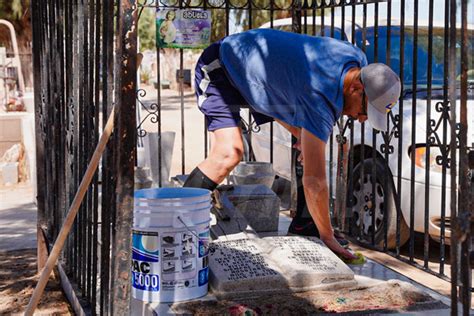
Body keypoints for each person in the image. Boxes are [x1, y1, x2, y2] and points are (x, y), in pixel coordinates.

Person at [183, 29, 401, 260]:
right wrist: (329, 238)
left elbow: (290, 82)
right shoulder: (321, 96)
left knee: (308, 147)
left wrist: (299, 133)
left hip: (257, 75)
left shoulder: (356, 60)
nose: (362, 119)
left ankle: (305, 226)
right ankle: (174, 220)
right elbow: (315, 182)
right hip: (222, 67)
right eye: (366, 110)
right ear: (356, 88)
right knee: (229, 153)